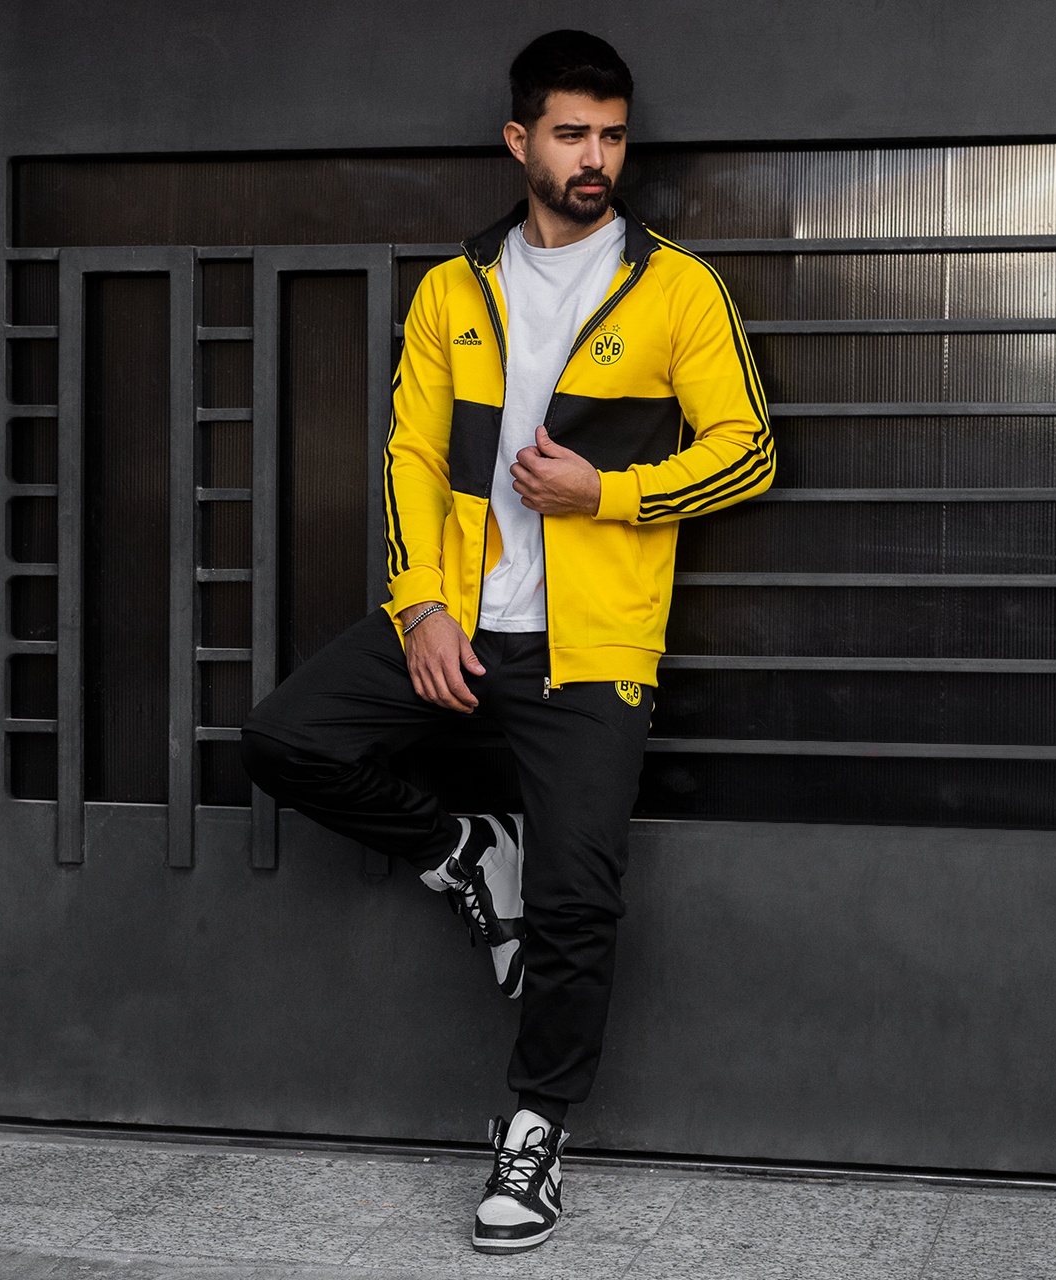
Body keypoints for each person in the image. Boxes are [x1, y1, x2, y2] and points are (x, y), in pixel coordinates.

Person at [241, 28, 773, 1255]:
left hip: (591, 647)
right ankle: (465, 852)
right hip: (460, 622)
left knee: (578, 898)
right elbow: (409, 457)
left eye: (612, 136)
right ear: (518, 139)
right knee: (282, 738)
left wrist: (609, 491)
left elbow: (745, 450)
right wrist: (422, 607)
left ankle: (533, 1132)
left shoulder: (674, 287)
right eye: (572, 134)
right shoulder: (454, 289)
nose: (596, 158)